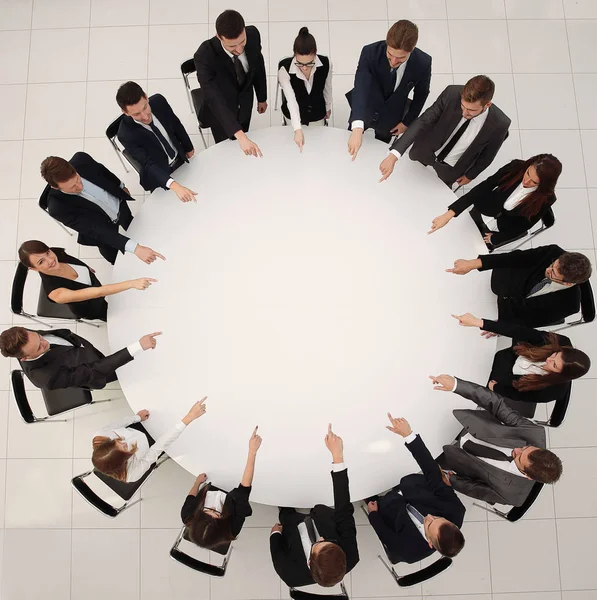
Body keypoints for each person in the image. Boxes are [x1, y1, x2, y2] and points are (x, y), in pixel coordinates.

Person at [430, 375, 563, 506]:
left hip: (455, 458)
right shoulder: (534, 433)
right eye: (524, 448)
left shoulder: (512, 496)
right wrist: (456, 385)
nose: (516, 450)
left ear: (528, 476)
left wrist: (452, 481)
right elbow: (497, 404)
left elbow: (475, 489)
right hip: (463, 424)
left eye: (519, 456)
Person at [365, 414, 465, 563]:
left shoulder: (408, 551)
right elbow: (432, 472)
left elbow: (385, 534)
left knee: (370, 493)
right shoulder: (455, 510)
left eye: (429, 524)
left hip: (391, 510)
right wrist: (408, 435)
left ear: (430, 543)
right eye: (438, 517)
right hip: (412, 487)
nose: (429, 516)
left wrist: (373, 515)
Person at [270, 424, 359, 588]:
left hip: (293, 528)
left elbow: (277, 552)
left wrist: (275, 533)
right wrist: (337, 457)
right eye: (329, 542)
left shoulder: (290, 574)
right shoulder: (350, 556)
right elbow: (344, 510)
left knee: (286, 514)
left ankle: (285, 510)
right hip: (323, 516)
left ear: (309, 562)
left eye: (318, 544)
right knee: (322, 508)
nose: (321, 538)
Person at [379, 76, 510, 186]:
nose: (464, 113)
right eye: (463, 106)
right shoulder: (451, 93)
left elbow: (488, 155)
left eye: (471, 110)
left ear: (487, 104)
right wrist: (394, 155)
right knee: (405, 180)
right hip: (425, 150)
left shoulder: (500, 123)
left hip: (452, 168)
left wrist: (471, 175)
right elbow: (423, 121)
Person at [40, 153, 164, 265]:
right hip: (101, 228)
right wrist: (135, 248)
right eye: (72, 187)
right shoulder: (58, 208)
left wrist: (120, 186)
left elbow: (103, 172)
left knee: (133, 225)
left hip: (118, 205)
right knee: (113, 254)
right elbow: (96, 230)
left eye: (78, 179)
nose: (79, 186)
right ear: (55, 187)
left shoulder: (82, 160)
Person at [429, 154, 562, 249]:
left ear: (545, 184)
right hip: (483, 210)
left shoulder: (547, 198)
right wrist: (450, 213)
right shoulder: (515, 167)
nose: (526, 181)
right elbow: (484, 187)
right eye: (528, 173)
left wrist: (497, 239)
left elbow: (524, 226)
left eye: (534, 182)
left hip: (499, 230)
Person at [452, 313, 590, 403]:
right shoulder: (560, 342)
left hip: (501, 380)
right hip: (503, 358)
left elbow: (520, 395)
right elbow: (521, 332)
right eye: (555, 355)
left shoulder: (553, 391)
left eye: (554, 365)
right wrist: (482, 323)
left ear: (561, 375)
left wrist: (497, 388)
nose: (549, 359)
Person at [447, 244, 592, 327]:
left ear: (567, 283)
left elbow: (533, 321)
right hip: (500, 283)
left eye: (553, 274)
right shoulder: (553, 252)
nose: (548, 270)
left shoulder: (570, 304)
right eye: (552, 265)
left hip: (506, 313)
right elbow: (515, 258)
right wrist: (473, 264)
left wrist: (498, 327)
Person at [347, 19, 431, 159]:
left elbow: (421, 94)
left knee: (381, 146)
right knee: (352, 138)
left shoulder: (423, 62)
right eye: (390, 55)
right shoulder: (370, 52)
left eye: (400, 58)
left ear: (412, 49)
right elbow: (361, 87)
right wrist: (357, 127)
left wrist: (407, 122)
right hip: (365, 108)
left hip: (392, 117)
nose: (393, 62)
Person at [18, 240, 156, 321]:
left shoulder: (56, 253)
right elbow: (97, 292)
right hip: (91, 306)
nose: (51, 260)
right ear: (34, 269)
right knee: (119, 317)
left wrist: (85, 268)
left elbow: (70, 259)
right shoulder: (56, 293)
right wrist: (132, 283)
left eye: (48, 253)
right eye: (41, 262)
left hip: (95, 287)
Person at [194, 10, 267, 156]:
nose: (239, 50)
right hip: (221, 113)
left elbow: (258, 65)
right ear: (219, 37)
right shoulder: (204, 56)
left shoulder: (253, 35)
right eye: (232, 46)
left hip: (245, 101)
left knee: (244, 130)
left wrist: (262, 97)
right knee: (227, 148)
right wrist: (240, 135)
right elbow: (214, 98)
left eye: (242, 42)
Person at [0, 326, 161, 390]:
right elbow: (95, 370)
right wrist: (137, 347)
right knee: (137, 373)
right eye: (39, 347)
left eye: (39, 337)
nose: (45, 341)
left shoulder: (24, 336)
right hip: (95, 372)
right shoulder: (47, 378)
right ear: (24, 358)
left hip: (81, 350)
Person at [181, 426, 261, 551]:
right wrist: (252, 452)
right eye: (217, 514)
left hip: (214, 480)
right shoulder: (232, 529)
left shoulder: (187, 516)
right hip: (234, 491)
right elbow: (244, 489)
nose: (213, 508)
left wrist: (197, 482)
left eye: (207, 511)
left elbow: (191, 497)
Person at [116, 81, 197, 202]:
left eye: (145, 107)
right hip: (159, 174)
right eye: (137, 114)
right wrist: (174, 185)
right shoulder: (125, 134)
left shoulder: (159, 102)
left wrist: (189, 148)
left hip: (179, 157)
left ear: (146, 96)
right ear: (125, 112)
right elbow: (148, 163)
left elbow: (176, 124)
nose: (145, 116)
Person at [92, 397, 207, 483]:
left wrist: (136, 418)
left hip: (137, 428)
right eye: (125, 447)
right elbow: (158, 447)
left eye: (117, 440)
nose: (125, 441)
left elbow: (118, 424)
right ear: (124, 460)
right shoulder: (132, 474)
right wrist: (189, 418)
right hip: (150, 444)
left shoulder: (100, 435)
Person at [277, 27, 332, 152]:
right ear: (294, 55)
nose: (305, 68)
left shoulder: (326, 63)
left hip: (317, 113)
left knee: (317, 144)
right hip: (294, 115)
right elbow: (291, 99)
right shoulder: (284, 68)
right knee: (294, 146)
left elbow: (327, 87)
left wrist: (328, 107)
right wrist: (297, 129)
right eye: (300, 64)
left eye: (310, 63)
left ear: (315, 54)